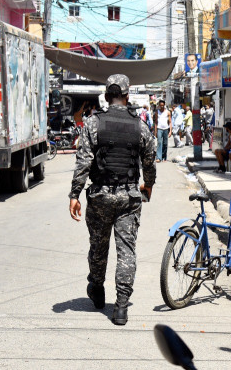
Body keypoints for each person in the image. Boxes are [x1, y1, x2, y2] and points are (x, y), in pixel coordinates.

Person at [69, 74, 156, 326]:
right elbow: (149, 160)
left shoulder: (93, 124)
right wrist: (148, 184)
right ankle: (120, 306)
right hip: (128, 197)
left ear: (107, 96)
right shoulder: (140, 126)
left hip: (100, 197)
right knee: (126, 250)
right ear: (127, 96)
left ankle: (96, 288)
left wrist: (75, 194)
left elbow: (83, 162)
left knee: (98, 246)